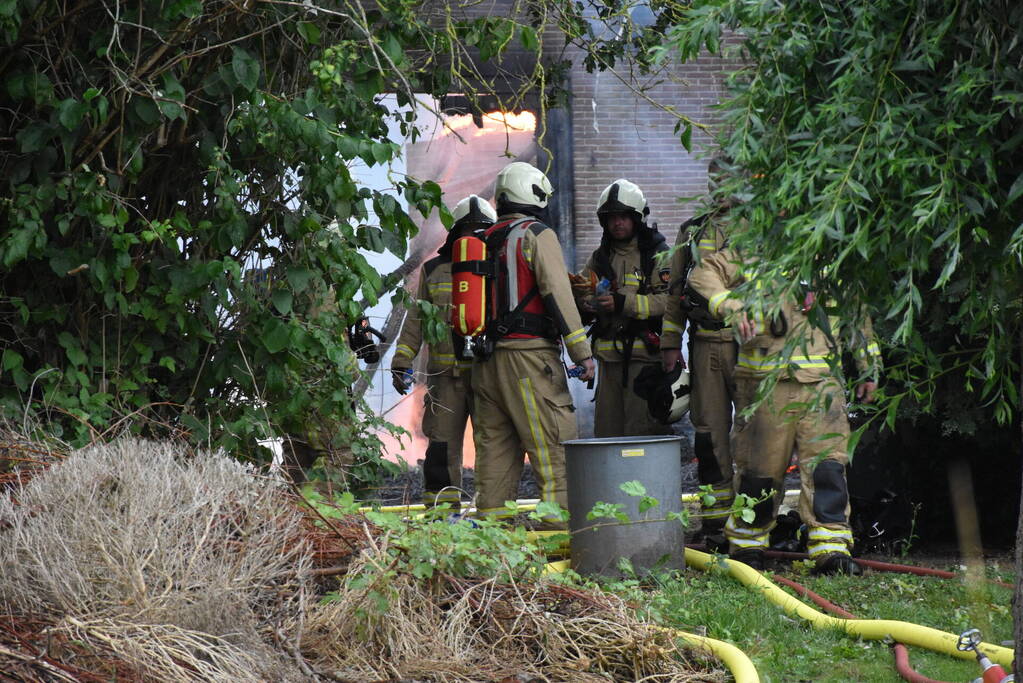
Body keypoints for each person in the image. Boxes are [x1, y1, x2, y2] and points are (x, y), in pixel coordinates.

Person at [687, 247, 881, 575]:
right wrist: (730, 305)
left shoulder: (831, 252)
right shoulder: (754, 247)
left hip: (822, 386)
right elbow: (702, 274)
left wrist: (869, 367)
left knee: (828, 468)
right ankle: (747, 547)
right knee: (759, 473)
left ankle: (830, 550)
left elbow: (856, 313)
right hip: (765, 386)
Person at [470, 162, 595, 527]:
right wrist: (582, 353)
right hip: (529, 361)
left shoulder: (482, 239)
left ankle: (492, 542)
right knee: (555, 450)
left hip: (486, 365)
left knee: (495, 455)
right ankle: (557, 539)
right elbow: (556, 294)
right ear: (535, 195)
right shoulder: (536, 234)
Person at [390, 195, 497, 508]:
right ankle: (442, 515)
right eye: (469, 230)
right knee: (441, 447)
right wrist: (401, 362)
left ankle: (492, 513)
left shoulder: (497, 266)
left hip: (487, 374)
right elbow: (416, 321)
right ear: (456, 232)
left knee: (492, 446)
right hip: (443, 378)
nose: (474, 237)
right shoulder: (434, 269)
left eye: (481, 231)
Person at [660, 159, 738, 548]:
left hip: (750, 345)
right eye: (716, 180)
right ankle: (715, 526)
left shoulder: (763, 229)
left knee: (759, 435)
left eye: (730, 178)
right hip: (705, 342)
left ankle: (755, 526)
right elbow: (676, 292)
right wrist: (671, 345)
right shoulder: (692, 231)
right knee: (708, 435)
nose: (722, 187)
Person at [574, 179, 672, 438]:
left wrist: (622, 303)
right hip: (608, 362)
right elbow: (585, 290)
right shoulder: (600, 257)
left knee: (640, 433)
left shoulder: (656, 254)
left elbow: (668, 302)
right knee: (607, 433)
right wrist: (586, 304)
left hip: (645, 362)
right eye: (611, 218)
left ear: (637, 218)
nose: (617, 223)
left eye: (624, 217)